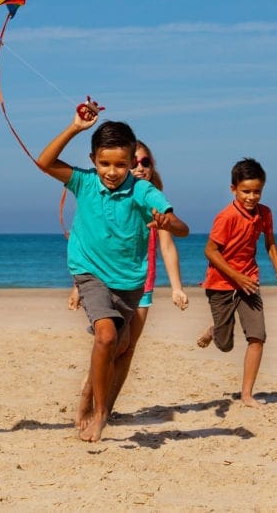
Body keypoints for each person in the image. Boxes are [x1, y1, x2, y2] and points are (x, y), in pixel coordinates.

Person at [38, 103, 190, 442]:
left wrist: (169, 222)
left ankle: (94, 402)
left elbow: (182, 229)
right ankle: (101, 412)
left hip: (131, 282)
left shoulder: (142, 190)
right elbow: (44, 162)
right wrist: (75, 127)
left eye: (120, 164)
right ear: (93, 159)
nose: (111, 171)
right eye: (105, 163)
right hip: (89, 272)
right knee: (105, 337)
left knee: (119, 348)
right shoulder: (84, 182)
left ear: (131, 161)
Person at [67, 139, 188, 415]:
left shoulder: (151, 197)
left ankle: (106, 408)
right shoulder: (113, 193)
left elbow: (168, 246)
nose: (141, 168)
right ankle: (90, 395)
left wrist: (177, 287)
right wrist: (77, 286)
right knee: (111, 343)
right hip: (109, 277)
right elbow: (90, 239)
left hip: (142, 283)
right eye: (136, 163)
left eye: (146, 163)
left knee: (128, 348)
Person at [196, 157, 277, 408]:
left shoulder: (265, 213)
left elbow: (270, 242)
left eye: (257, 191)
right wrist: (236, 276)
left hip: (249, 283)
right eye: (246, 191)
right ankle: (214, 330)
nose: (252, 197)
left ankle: (246, 394)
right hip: (221, 284)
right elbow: (210, 251)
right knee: (225, 344)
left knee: (257, 336)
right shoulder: (226, 217)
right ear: (233, 189)